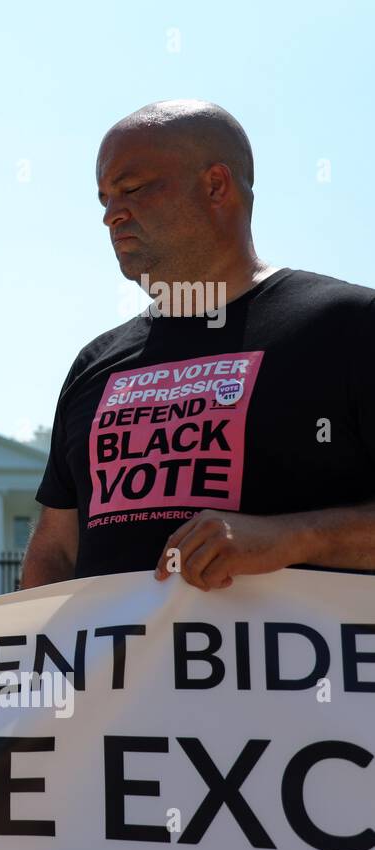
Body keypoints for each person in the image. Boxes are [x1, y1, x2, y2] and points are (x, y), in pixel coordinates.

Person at [23, 100, 375, 591]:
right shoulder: (95, 365)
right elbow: (57, 550)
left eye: (131, 189)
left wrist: (293, 538)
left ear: (215, 185)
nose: (111, 215)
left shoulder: (351, 326)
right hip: (121, 671)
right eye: (103, 198)